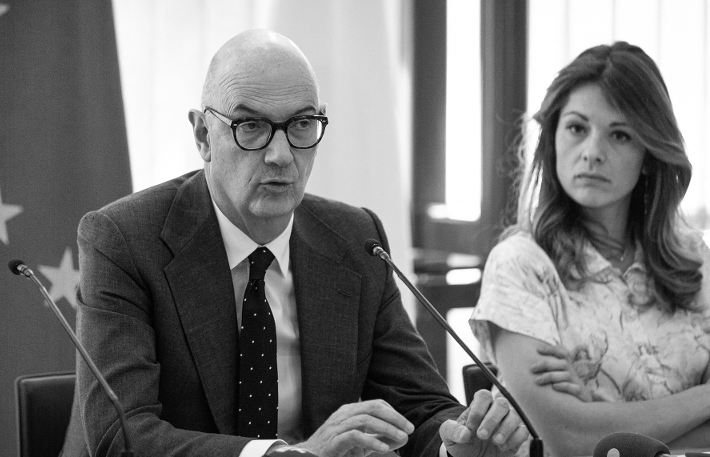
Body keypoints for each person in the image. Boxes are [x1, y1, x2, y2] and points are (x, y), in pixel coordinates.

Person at [60, 29, 528, 457]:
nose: (281, 155)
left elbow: (421, 407)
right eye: (251, 127)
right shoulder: (123, 240)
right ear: (204, 135)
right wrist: (291, 456)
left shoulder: (356, 241)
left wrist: (459, 442)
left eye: (302, 125)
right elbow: (120, 434)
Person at [469, 41, 710, 457]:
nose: (593, 153)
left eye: (620, 134)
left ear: (650, 154)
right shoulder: (522, 266)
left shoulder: (695, 259)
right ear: (553, 138)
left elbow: (601, 443)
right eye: (578, 128)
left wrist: (609, 423)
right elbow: (568, 439)